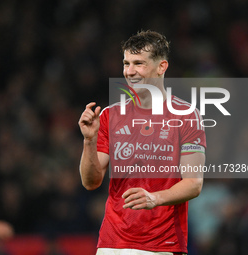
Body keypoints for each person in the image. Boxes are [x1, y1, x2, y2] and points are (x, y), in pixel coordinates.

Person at [78, 30, 206, 255]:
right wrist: (89, 141)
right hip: (111, 243)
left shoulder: (186, 116)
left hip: (162, 244)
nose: (130, 71)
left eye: (139, 63)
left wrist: (154, 198)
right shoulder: (109, 116)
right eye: (126, 63)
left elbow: (193, 183)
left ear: (162, 67)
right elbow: (91, 181)